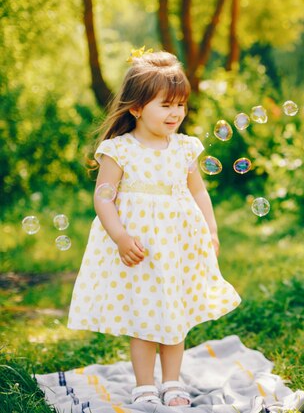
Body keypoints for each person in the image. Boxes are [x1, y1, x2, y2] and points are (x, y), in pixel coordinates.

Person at [67, 51, 241, 407]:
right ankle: (145, 386)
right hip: (140, 247)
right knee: (145, 315)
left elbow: (198, 191)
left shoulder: (185, 148)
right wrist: (120, 236)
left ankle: (172, 383)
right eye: (165, 105)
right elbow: (104, 198)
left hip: (177, 245)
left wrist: (210, 229)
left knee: (173, 313)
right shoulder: (119, 150)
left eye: (181, 105)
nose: (176, 113)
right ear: (136, 108)